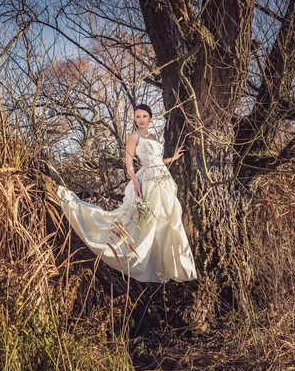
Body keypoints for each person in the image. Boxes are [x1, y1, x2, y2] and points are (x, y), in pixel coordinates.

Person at [57, 104, 197, 283]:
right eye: (138, 116)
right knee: (145, 220)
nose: (141, 119)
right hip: (146, 180)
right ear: (135, 119)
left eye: (144, 116)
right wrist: (135, 181)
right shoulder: (133, 137)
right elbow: (129, 162)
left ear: (150, 118)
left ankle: (167, 263)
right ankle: (141, 258)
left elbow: (156, 160)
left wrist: (172, 158)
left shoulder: (153, 136)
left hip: (163, 179)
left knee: (166, 218)